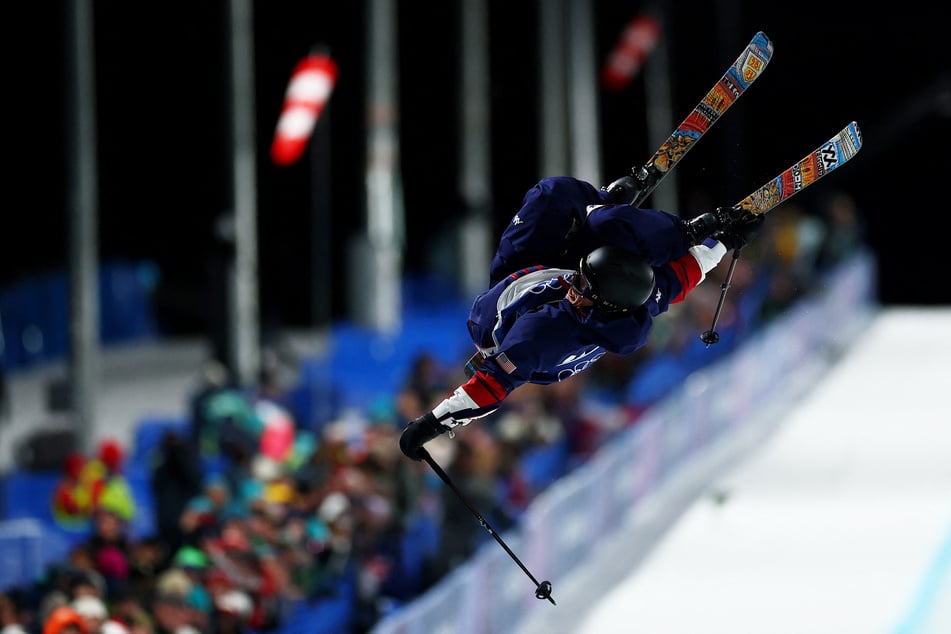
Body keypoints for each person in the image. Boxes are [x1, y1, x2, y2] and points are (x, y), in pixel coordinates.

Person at [399, 175, 763, 460]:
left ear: (605, 304)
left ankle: (608, 211)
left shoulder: (541, 335)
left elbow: (489, 388)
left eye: (583, 287)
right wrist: (722, 240)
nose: (574, 285)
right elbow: (687, 271)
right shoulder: (632, 299)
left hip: (500, 311)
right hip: (551, 274)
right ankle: (658, 221)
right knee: (606, 222)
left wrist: (430, 424)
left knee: (552, 197)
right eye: (580, 277)